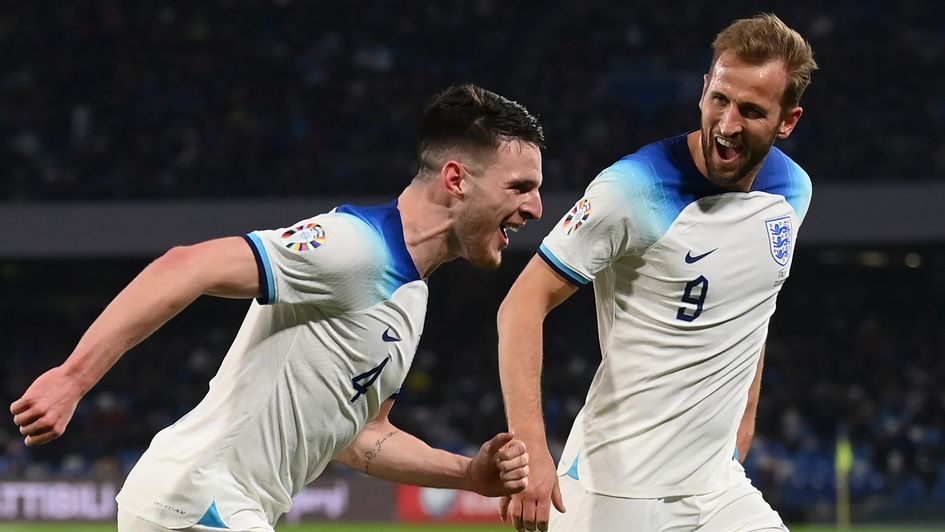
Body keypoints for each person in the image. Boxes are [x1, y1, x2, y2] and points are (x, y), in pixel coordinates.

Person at [10, 83, 544, 532]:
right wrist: (72, 378)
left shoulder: (411, 294)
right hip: (199, 500)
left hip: (219, 506)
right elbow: (185, 266)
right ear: (456, 180)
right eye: (520, 187)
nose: (536, 208)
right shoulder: (353, 247)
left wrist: (468, 474)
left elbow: (359, 437)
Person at [496, 14, 817, 532]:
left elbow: (755, 300)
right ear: (704, 89)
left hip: (719, 491)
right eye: (720, 99)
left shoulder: (792, 192)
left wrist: (746, 417)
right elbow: (521, 304)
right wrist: (531, 445)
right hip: (614, 493)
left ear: (788, 121)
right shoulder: (632, 188)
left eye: (752, 111)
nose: (728, 125)